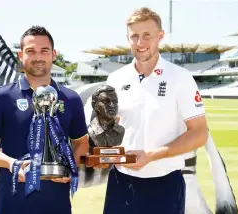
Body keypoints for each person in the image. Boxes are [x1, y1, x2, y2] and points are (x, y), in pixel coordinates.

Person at [85, 7, 208, 214]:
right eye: (134, 36)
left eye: (146, 35)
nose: (140, 43)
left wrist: (151, 155)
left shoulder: (180, 77)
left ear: (160, 36)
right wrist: (102, 156)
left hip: (165, 184)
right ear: (128, 38)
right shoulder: (116, 79)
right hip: (120, 182)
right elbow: (108, 126)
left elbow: (199, 133)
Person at [0, 26, 89, 214]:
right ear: (21, 55)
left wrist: (69, 166)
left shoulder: (71, 98)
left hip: (57, 205)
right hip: (12, 204)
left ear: (54, 54)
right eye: (30, 51)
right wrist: (12, 164)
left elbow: (81, 143)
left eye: (44, 50)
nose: (38, 57)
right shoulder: (1, 97)